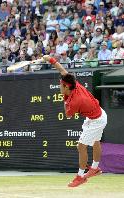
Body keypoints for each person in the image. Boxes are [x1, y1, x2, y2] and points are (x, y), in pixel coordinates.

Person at [42, 55, 107, 188]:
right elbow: (61, 70)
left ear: (66, 87)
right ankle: (94, 168)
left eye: (60, 85)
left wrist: (64, 99)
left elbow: (68, 115)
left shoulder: (75, 101)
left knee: (81, 147)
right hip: (99, 114)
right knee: (95, 142)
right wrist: (50, 59)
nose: (59, 85)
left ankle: (80, 176)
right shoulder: (73, 83)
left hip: (96, 120)